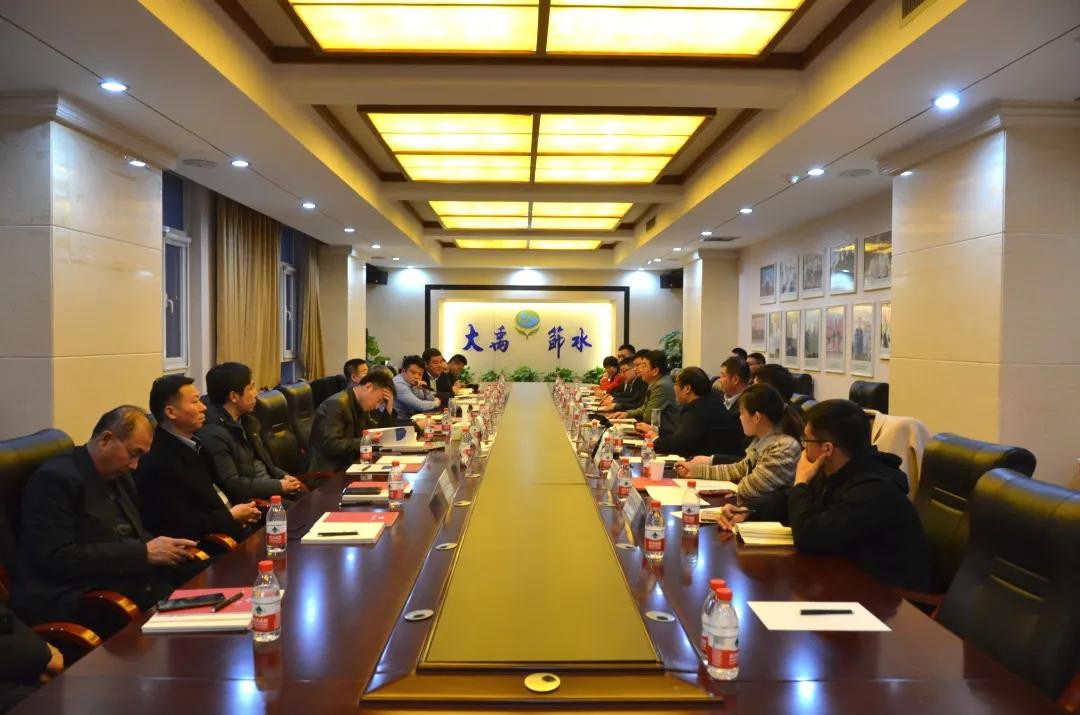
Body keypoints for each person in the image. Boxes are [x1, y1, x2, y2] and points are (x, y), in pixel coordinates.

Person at [14, 406, 199, 630]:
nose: (135, 465)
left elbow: (132, 531)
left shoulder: (118, 474)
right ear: (105, 439)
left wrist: (166, 548)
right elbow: (57, 557)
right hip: (87, 598)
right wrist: (142, 553)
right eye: (133, 453)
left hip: (128, 579)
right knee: (190, 623)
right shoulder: (55, 480)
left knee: (205, 580)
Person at [788, 400, 931, 591]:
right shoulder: (835, 472)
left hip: (887, 596)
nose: (804, 448)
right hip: (847, 578)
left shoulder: (871, 490)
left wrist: (801, 481)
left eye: (806, 440)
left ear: (827, 449)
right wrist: (753, 508)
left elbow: (808, 537)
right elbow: (802, 509)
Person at [135, 375, 260, 543]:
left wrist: (246, 510)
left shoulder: (197, 444)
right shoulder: (159, 462)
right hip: (215, 545)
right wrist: (230, 516)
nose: (203, 407)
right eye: (195, 402)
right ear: (171, 412)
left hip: (240, 528)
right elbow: (180, 526)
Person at [678, 383, 802, 521]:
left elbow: (749, 489)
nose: (740, 418)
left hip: (772, 521)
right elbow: (738, 469)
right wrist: (695, 470)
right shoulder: (762, 440)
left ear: (757, 417)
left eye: (742, 413)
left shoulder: (783, 447)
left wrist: (739, 483)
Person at [197, 362, 305, 503]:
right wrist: (279, 486)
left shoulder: (248, 421)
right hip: (257, 503)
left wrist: (283, 476)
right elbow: (234, 485)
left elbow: (264, 463)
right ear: (234, 396)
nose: (256, 393)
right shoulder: (213, 435)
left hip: (273, 490)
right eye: (251, 388)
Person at [637, 367, 742, 459]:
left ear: (687, 389)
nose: (674, 387)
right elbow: (682, 436)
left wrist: (655, 439)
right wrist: (656, 433)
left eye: (676, 384)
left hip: (713, 466)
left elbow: (678, 445)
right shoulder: (711, 402)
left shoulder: (696, 409)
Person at [309, 371, 397, 472]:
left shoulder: (360, 404)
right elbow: (331, 446)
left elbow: (377, 433)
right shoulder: (335, 404)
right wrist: (366, 439)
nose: (377, 406)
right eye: (379, 400)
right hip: (331, 471)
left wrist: (389, 408)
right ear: (368, 387)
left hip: (351, 464)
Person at [0, 602, 65, 711]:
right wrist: (44, 653)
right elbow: (38, 654)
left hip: (28, 680)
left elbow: (9, 621)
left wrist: (43, 649)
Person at [610, 350, 679, 430]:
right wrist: (627, 414)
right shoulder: (655, 383)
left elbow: (648, 417)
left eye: (644, 366)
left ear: (655, 371)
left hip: (664, 433)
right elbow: (643, 408)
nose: (640, 370)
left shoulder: (661, 385)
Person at [393, 355, 441, 419]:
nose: (416, 377)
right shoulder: (399, 385)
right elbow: (420, 405)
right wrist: (436, 403)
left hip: (412, 417)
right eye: (413, 373)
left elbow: (429, 400)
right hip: (399, 421)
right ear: (403, 371)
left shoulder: (414, 383)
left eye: (420, 374)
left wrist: (426, 390)